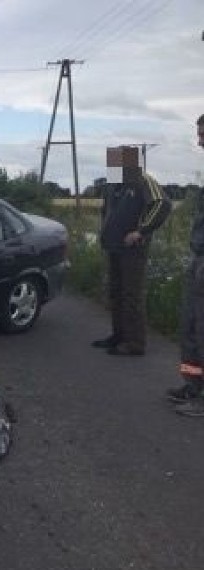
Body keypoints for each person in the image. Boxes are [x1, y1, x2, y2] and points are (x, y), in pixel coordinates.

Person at [91, 145, 170, 356]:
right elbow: (106, 210)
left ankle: (135, 343)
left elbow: (162, 204)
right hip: (113, 246)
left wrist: (140, 231)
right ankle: (119, 335)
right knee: (115, 293)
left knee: (131, 295)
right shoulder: (112, 184)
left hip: (133, 249)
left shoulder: (143, 179)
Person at [168, 114, 204, 415]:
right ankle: (192, 387)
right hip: (199, 258)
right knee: (191, 325)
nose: (199, 140)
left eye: (203, 134)